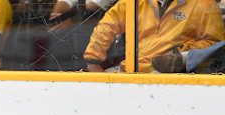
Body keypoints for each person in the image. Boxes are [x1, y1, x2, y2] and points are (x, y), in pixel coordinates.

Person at [83, 0, 225, 72]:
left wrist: (181, 54)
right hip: (129, 71)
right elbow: (106, 27)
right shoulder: (134, 2)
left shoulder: (204, 4)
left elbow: (213, 44)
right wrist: (93, 59)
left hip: (173, 77)